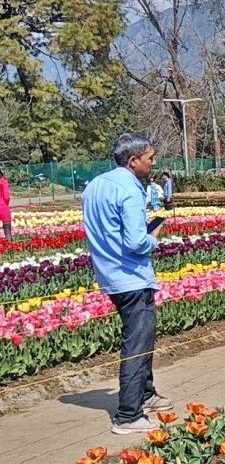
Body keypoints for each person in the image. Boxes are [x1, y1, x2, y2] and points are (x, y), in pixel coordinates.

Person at [81, 133, 174, 434]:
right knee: (137, 343)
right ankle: (128, 414)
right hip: (132, 277)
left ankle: (146, 394)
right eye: (150, 158)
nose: (154, 162)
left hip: (109, 274)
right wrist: (153, 237)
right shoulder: (131, 190)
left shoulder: (94, 186)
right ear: (133, 161)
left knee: (141, 338)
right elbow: (135, 242)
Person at [0, 168, 10, 241]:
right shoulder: (4, 181)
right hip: (3, 206)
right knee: (8, 232)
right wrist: (6, 205)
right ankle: (9, 250)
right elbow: (7, 197)